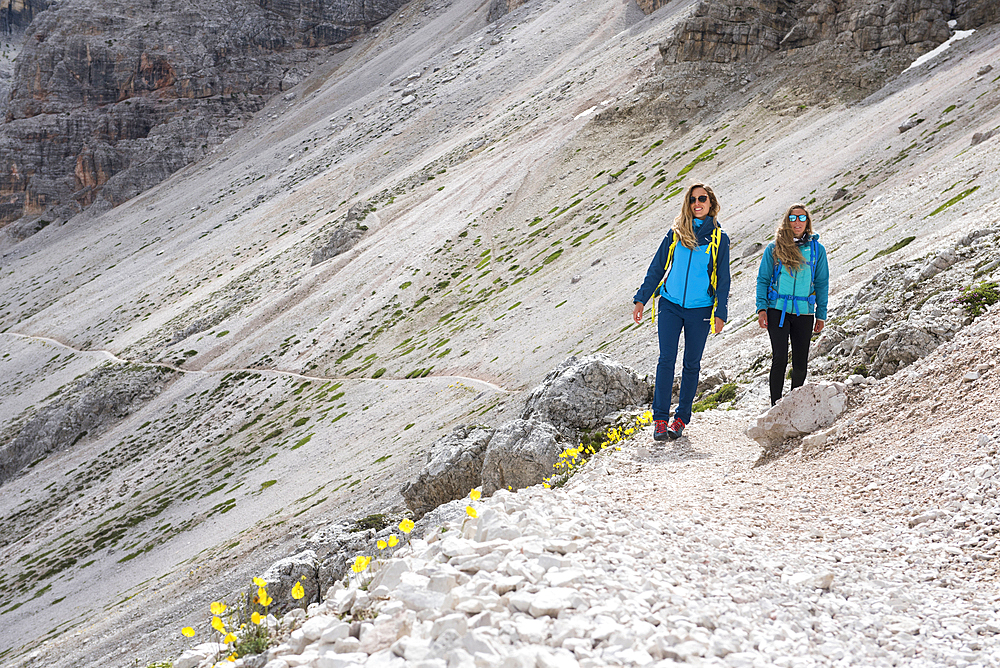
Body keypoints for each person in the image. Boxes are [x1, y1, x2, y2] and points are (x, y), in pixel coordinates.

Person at [632, 183, 731, 440]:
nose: (697, 203)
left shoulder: (719, 239)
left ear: (711, 204)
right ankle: (660, 420)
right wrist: (641, 298)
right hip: (670, 305)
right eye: (693, 199)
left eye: (703, 199)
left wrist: (721, 311)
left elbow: (723, 278)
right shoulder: (675, 233)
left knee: (691, 364)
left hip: (701, 309)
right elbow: (657, 267)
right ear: (688, 203)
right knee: (666, 360)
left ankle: (681, 419)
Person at [755, 203, 829, 406]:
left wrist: (821, 314)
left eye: (802, 218)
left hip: (804, 312)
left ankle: (793, 406)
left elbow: (822, 282)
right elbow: (763, 279)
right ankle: (775, 406)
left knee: (800, 363)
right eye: (793, 218)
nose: (797, 222)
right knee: (779, 358)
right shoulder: (774, 248)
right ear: (787, 221)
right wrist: (761, 308)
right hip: (777, 309)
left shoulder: (817, 250)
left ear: (808, 222)